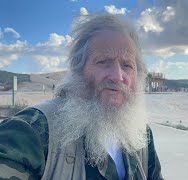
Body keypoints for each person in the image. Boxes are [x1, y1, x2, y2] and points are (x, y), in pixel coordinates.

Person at [0, 13, 163, 180]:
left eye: (127, 65)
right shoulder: (33, 130)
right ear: (79, 71)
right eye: (103, 61)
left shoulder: (142, 136)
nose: (117, 75)